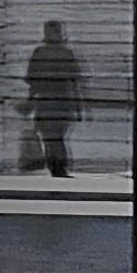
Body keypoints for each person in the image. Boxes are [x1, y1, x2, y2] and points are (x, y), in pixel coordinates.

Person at [21, 16, 86, 176]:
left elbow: (33, 81)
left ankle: (56, 165)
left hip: (45, 102)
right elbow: (75, 82)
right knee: (57, 136)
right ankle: (59, 166)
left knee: (49, 137)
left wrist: (30, 101)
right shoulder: (67, 53)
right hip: (63, 102)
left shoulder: (39, 53)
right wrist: (79, 107)